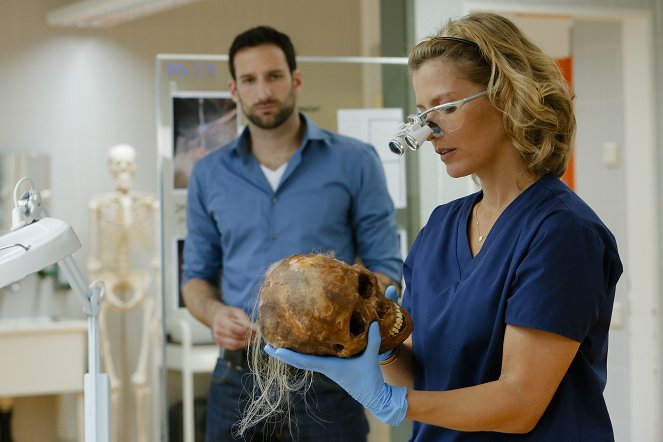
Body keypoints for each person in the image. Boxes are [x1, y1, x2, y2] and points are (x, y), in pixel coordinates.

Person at [266, 12, 623, 442]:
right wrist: (379, 344)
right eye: (422, 113)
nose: (429, 131)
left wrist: (392, 403)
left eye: (446, 107)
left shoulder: (562, 232)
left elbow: (519, 405)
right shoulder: (441, 226)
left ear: (508, 96)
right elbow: (423, 375)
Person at [181, 25, 403, 441]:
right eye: (249, 80)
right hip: (238, 375)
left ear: (295, 79)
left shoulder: (355, 161)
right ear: (234, 89)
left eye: (274, 76)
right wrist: (214, 315)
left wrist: (343, 312)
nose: (263, 91)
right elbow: (195, 278)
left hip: (329, 378)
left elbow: (386, 269)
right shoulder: (208, 174)